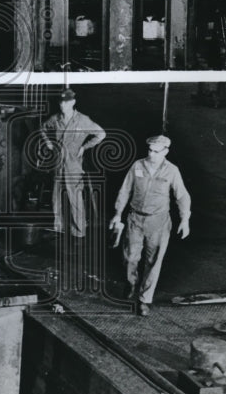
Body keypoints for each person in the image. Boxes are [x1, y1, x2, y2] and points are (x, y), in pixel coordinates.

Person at [109, 134, 191, 316]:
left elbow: (182, 196)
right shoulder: (138, 166)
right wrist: (117, 214)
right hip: (135, 219)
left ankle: (144, 299)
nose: (151, 154)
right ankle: (131, 282)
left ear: (165, 152)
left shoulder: (172, 171)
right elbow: (125, 190)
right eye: (150, 150)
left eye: (156, 151)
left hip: (158, 221)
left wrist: (185, 219)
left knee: (153, 262)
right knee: (130, 257)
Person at [40, 89, 105, 238]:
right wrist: (48, 143)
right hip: (58, 163)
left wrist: (85, 146)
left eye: (67, 102)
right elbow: (43, 128)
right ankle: (58, 226)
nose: (63, 105)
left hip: (73, 164)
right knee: (56, 196)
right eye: (61, 102)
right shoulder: (55, 119)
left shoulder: (83, 120)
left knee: (75, 197)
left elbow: (101, 134)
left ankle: (79, 231)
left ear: (73, 102)